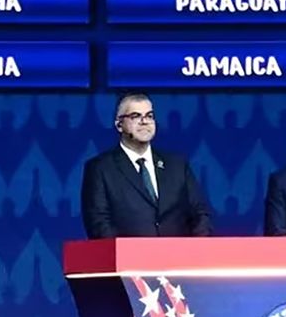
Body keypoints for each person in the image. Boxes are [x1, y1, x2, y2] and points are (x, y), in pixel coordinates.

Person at [81, 93, 213, 238]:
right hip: (127, 253)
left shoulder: (177, 165)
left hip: (179, 252)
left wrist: (193, 249)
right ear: (119, 125)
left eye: (149, 116)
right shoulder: (100, 168)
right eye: (136, 116)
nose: (144, 122)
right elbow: (99, 224)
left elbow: (201, 214)